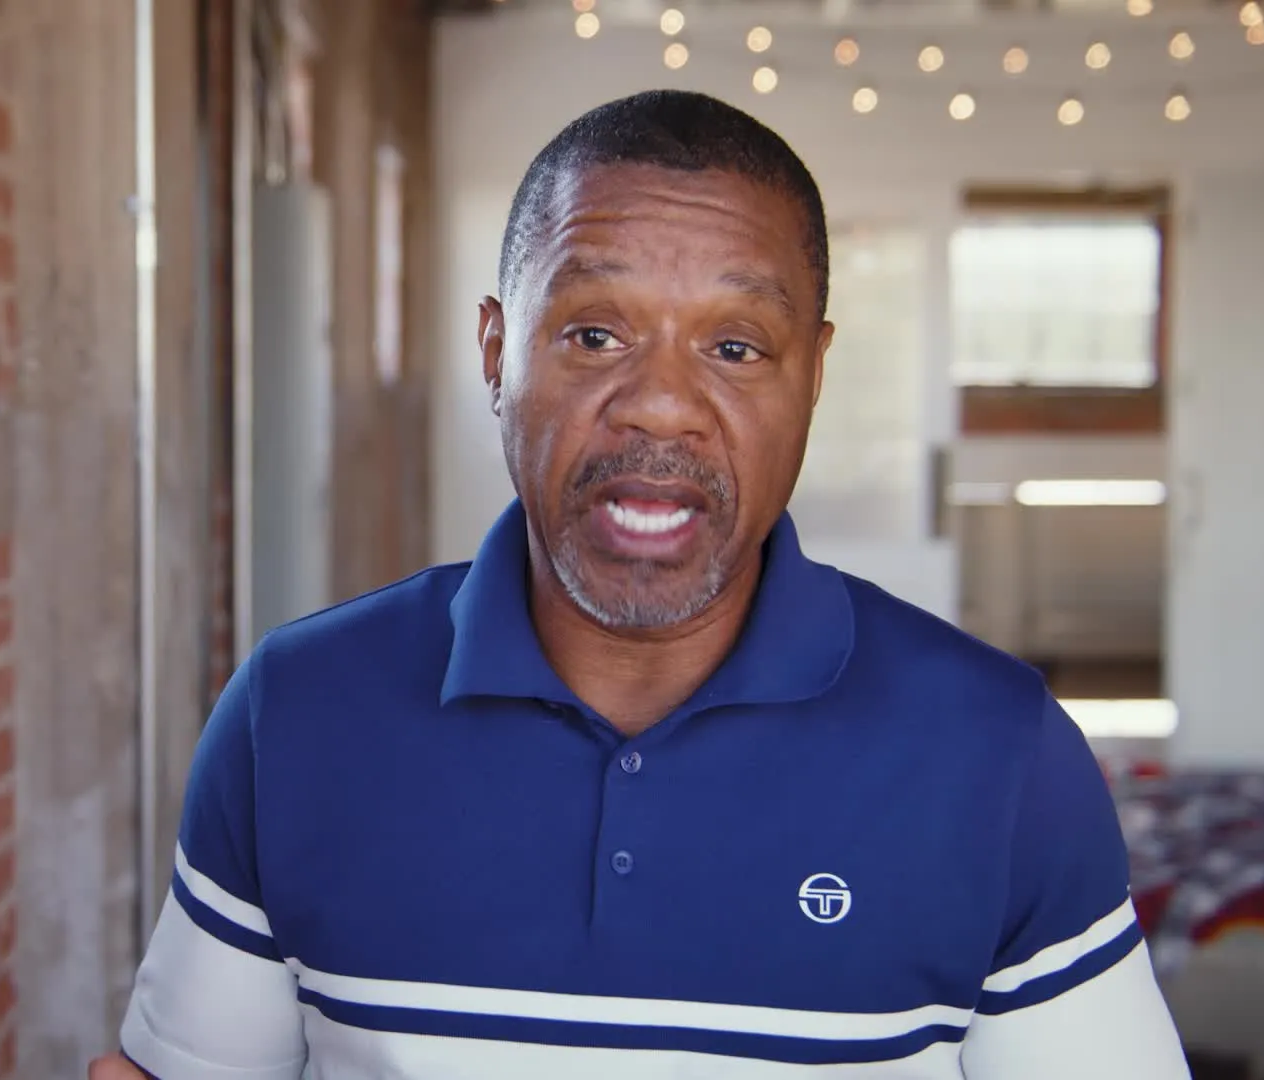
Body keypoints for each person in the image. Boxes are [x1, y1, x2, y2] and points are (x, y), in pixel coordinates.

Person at [90, 89, 1190, 1079]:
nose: (660, 404)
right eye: (595, 332)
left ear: (813, 372)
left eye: (737, 349)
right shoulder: (295, 712)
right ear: (496, 349)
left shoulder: (1001, 754)